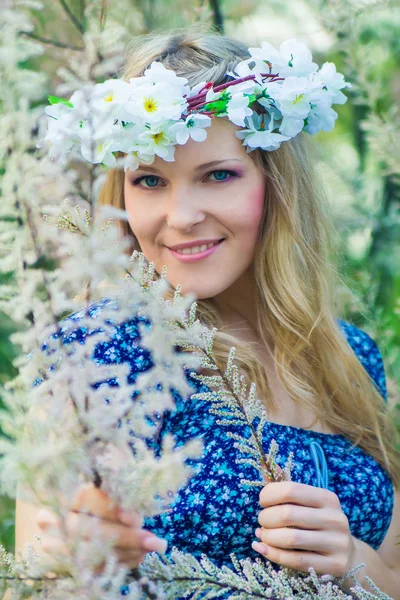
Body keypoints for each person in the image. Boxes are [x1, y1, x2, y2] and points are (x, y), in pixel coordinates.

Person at [13, 26, 400, 599]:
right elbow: (31, 574)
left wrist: (352, 561)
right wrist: (65, 563)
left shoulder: (352, 357)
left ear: (276, 183)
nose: (181, 215)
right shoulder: (97, 354)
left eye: (217, 175)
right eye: (149, 180)